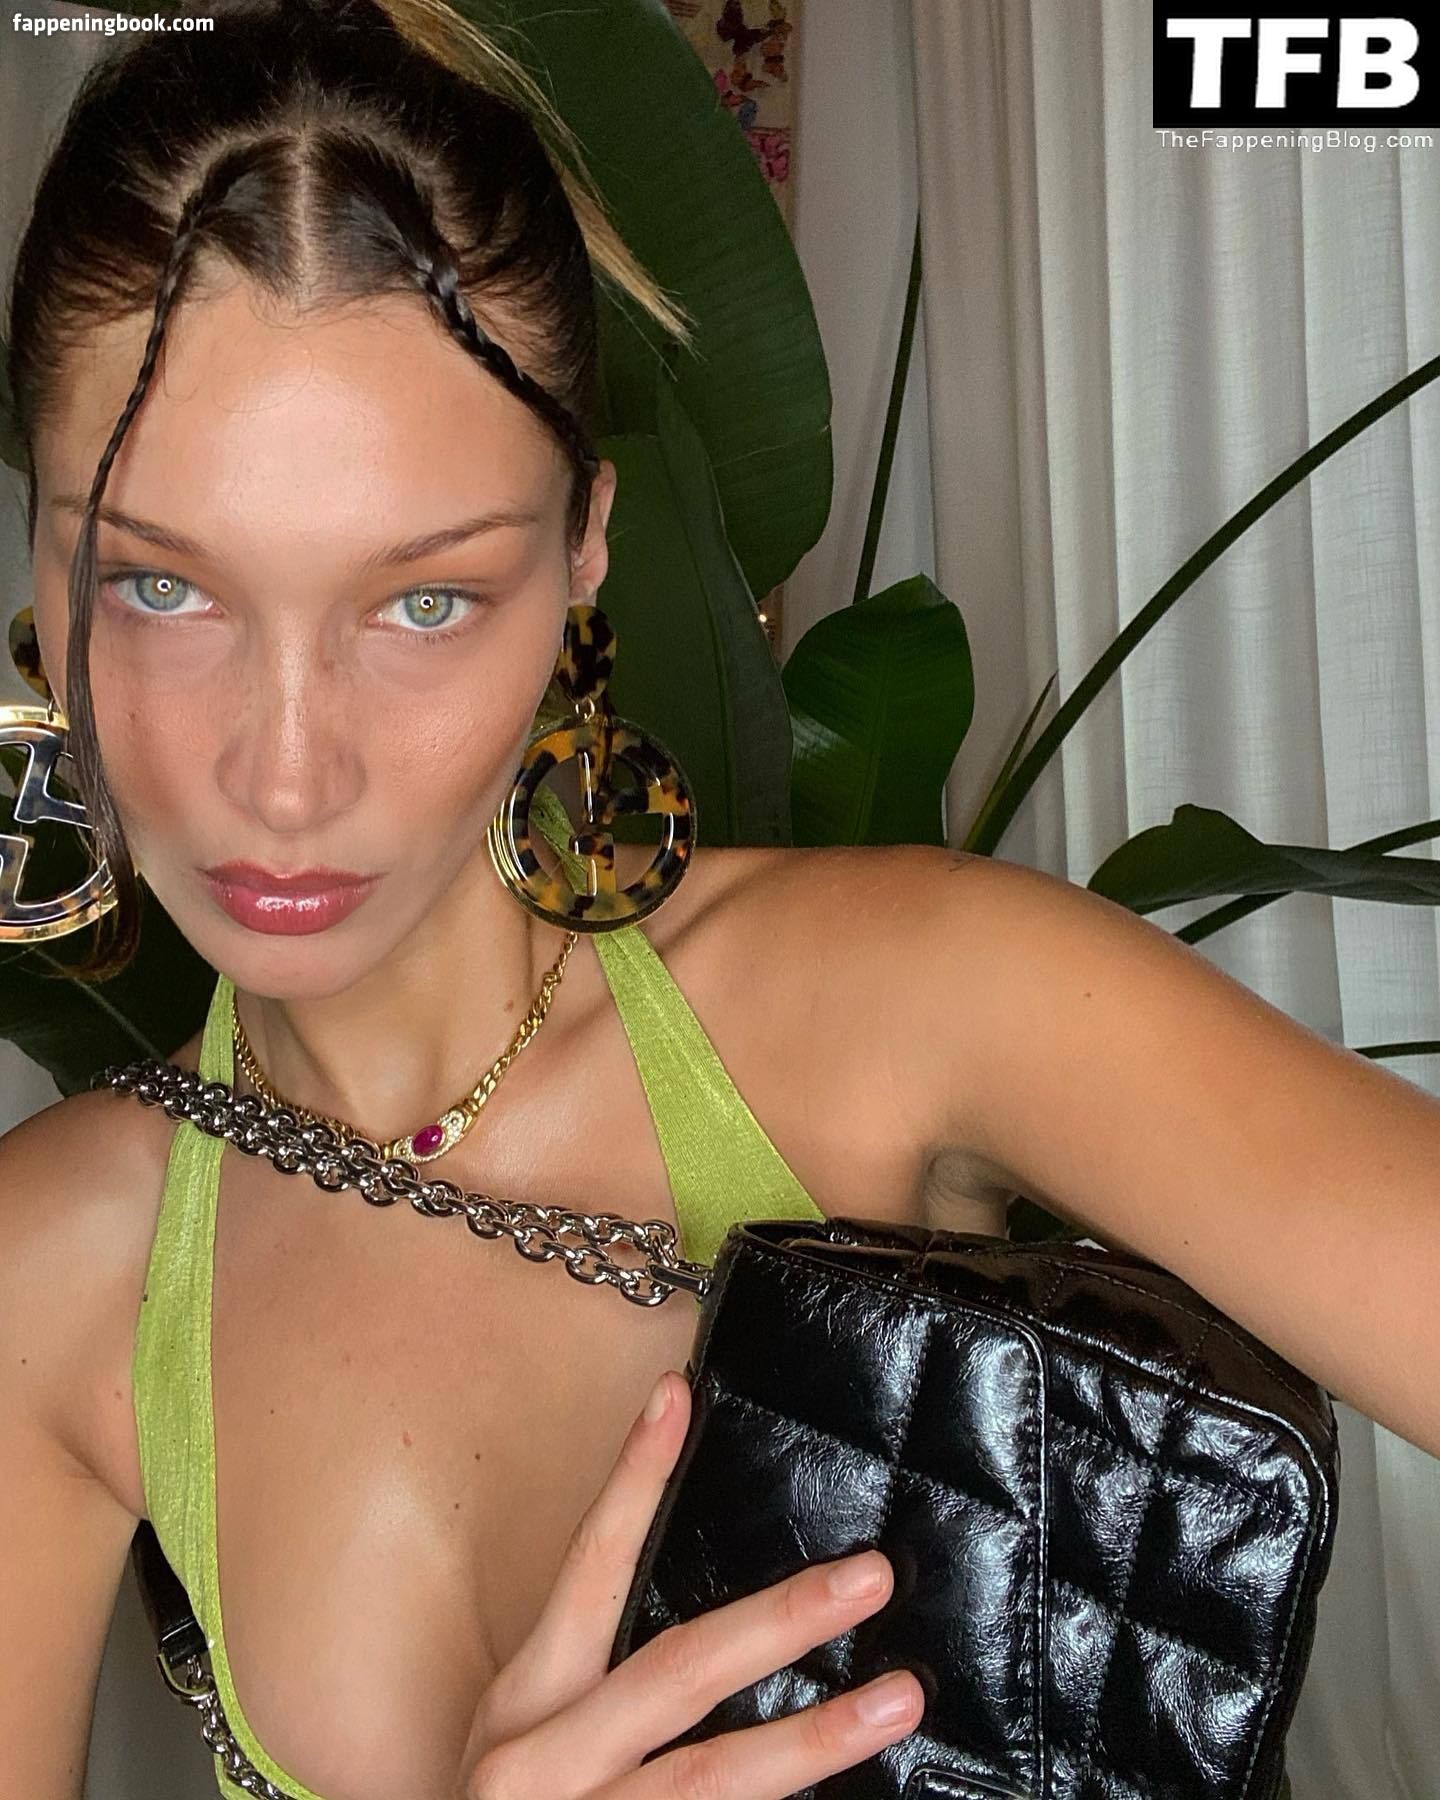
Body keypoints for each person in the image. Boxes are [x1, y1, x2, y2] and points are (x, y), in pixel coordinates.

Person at [0, 2, 1436, 1796]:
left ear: (583, 552)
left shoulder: (922, 996)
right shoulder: (52, 1276)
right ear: (43, 564)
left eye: (425, 601)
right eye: (160, 589)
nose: (285, 777)